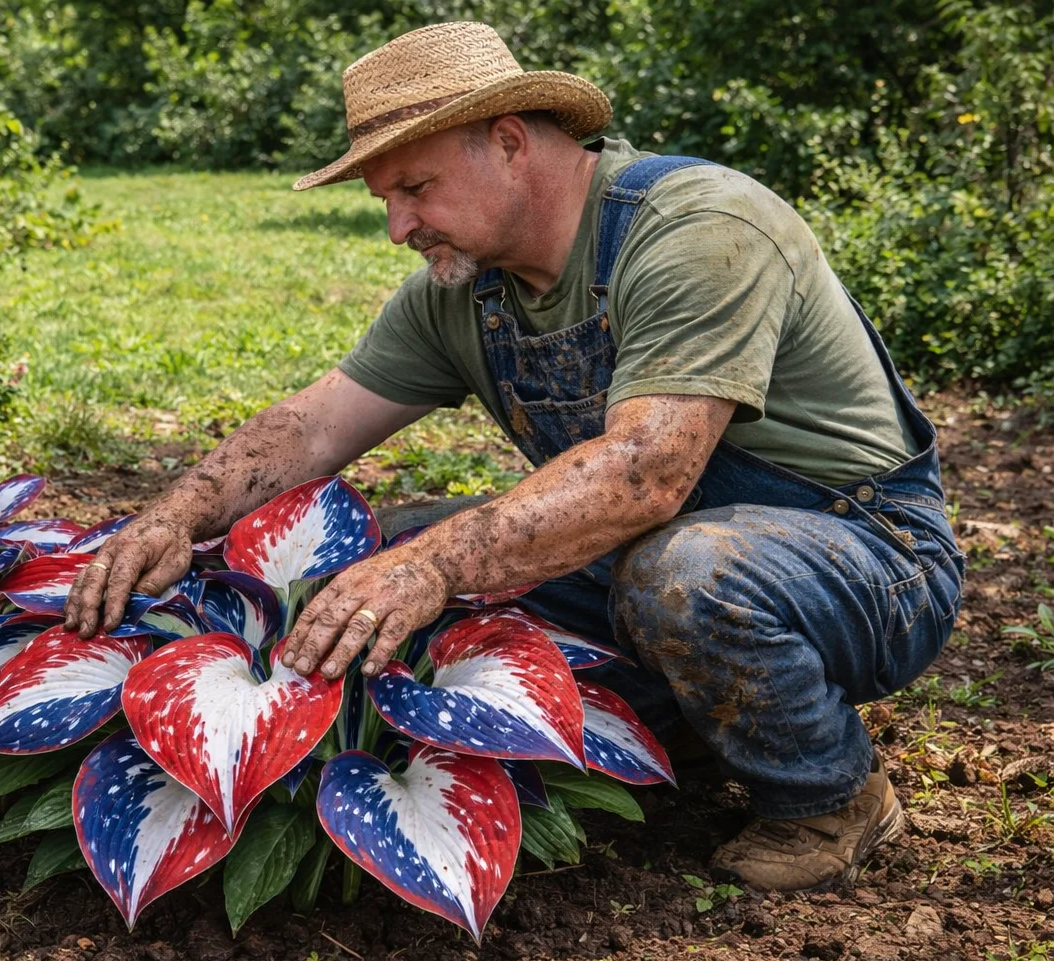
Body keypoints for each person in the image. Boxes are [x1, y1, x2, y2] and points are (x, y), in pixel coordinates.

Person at [62, 21, 963, 891]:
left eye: (414, 187)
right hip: (648, 548)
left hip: (865, 558)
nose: (397, 226)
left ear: (507, 142)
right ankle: (688, 719)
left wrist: (433, 567)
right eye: (384, 199)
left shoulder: (699, 229)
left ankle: (830, 798)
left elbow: (645, 474)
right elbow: (316, 426)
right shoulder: (463, 291)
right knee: (374, 558)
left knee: (675, 574)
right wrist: (176, 514)